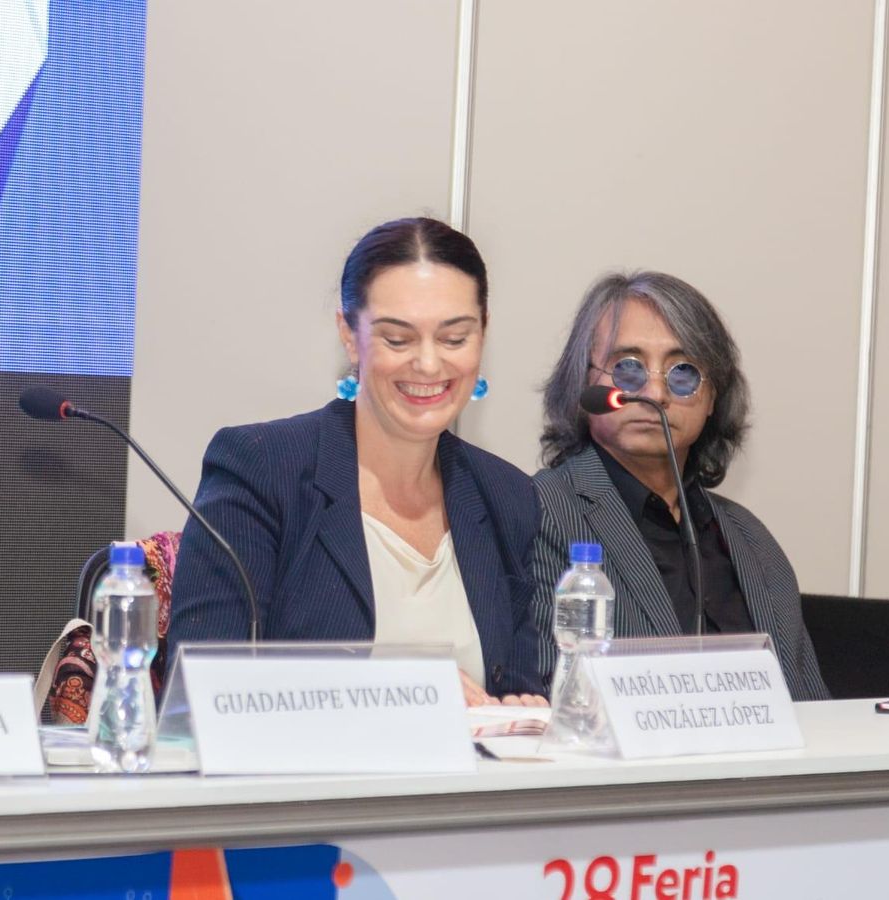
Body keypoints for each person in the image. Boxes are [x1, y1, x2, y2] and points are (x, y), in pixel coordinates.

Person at [167, 217, 545, 704]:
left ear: (483, 333)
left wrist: (524, 710)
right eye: (398, 339)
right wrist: (409, 694)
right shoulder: (262, 469)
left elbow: (516, 687)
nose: (429, 365)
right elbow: (203, 689)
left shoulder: (505, 495)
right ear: (350, 335)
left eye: (454, 339)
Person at [531, 271, 829, 701]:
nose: (655, 392)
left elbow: (811, 708)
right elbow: (543, 695)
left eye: (683, 373)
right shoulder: (540, 512)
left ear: (712, 399)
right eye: (628, 368)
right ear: (583, 382)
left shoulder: (752, 541)